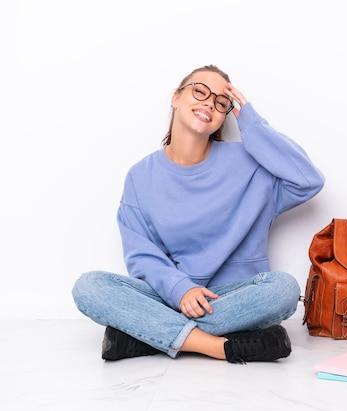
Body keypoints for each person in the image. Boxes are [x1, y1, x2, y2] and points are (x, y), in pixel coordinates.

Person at [72, 65, 325, 363]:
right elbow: (142, 254)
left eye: (221, 102)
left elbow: (309, 180)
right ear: (176, 97)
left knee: (284, 289)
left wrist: (251, 123)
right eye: (200, 91)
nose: (209, 102)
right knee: (89, 287)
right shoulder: (140, 176)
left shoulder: (250, 162)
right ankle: (217, 346)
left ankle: (145, 337)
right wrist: (181, 291)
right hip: (173, 296)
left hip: (234, 297)